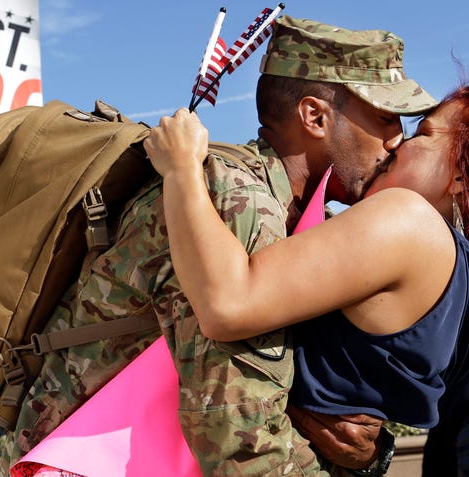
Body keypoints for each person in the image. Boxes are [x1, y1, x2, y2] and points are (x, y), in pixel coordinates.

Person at [0, 16, 438, 477]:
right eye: (386, 117)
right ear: (315, 117)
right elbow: (236, 436)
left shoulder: (277, 209)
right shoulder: (237, 202)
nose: (396, 141)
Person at [143, 83, 469, 474]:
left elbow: (228, 305)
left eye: (425, 134)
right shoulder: (454, 264)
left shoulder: (408, 219)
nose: (398, 142)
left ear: (460, 177)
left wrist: (180, 168)